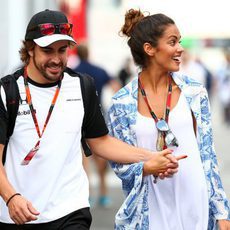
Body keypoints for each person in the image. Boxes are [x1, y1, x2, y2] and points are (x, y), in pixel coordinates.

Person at [0, 9, 184, 230]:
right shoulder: (7, 91)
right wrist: (11, 197)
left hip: (70, 210)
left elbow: (101, 141)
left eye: (63, 50)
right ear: (30, 49)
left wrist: (150, 157)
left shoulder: (81, 85)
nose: (57, 59)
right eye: (47, 51)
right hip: (17, 213)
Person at [107, 9, 230, 230]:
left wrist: (222, 212)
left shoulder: (195, 92)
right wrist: (148, 166)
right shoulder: (121, 103)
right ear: (150, 49)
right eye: (172, 42)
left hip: (196, 205)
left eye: (179, 42)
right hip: (150, 208)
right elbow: (119, 165)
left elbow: (207, 155)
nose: (180, 49)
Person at [73, 43, 120, 207]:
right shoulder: (100, 70)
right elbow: (116, 88)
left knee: (84, 158)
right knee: (102, 156)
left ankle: (88, 195)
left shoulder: (74, 72)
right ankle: (104, 193)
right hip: (98, 114)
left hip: (79, 117)